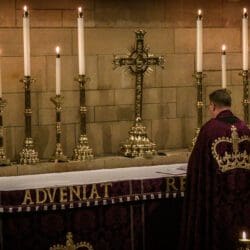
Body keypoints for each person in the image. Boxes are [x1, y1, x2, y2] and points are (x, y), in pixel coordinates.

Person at [179, 89, 250, 250]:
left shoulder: (210, 130)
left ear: (212, 106)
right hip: (243, 199)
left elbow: (197, 167)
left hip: (216, 200)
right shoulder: (244, 128)